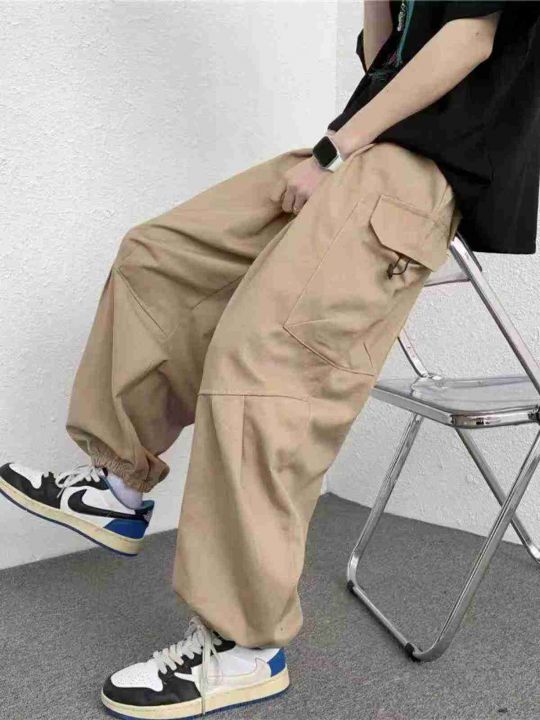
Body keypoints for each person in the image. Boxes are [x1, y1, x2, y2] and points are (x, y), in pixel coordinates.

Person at [1, 1, 539, 718]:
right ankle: (117, 485)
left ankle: (244, 649)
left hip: (414, 172)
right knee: (160, 259)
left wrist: (334, 151)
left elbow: (469, 39)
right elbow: (383, 59)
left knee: (263, 369)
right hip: (366, 148)